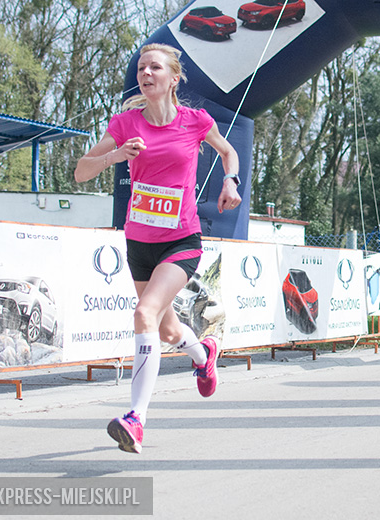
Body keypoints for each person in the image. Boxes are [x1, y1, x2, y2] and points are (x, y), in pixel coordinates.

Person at [74, 43, 242, 453]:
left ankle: (137, 418)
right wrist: (116, 154)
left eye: (154, 68)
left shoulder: (195, 121)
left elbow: (228, 152)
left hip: (182, 240)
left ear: (173, 78)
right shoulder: (125, 122)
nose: (145, 73)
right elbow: (81, 172)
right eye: (141, 68)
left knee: (144, 312)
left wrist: (230, 181)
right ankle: (205, 355)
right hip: (139, 241)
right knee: (165, 329)